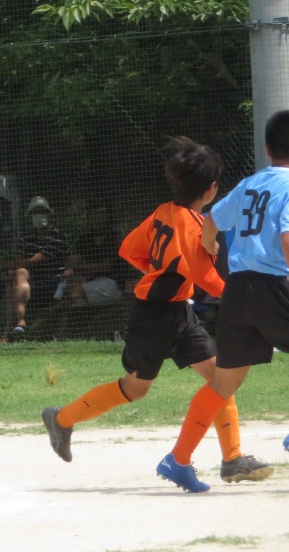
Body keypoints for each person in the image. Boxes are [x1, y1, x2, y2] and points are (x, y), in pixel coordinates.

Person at [41, 138, 271, 485]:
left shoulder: (164, 211)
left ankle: (233, 458)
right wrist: (243, 298)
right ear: (212, 189)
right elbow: (206, 278)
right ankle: (60, 419)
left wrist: (158, 269)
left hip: (178, 311)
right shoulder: (193, 225)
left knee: (219, 379)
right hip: (153, 316)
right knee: (134, 389)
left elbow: (129, 249)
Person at [156, 112, 289, 492]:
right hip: (274, 286)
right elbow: (286, 239)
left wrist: (210, 244)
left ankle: (178, 459)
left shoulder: (250, 183)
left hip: (237, 291)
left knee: (223, 383)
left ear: (267, 149)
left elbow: (212, 219)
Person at [0, 196, 69, 340]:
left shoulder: (59, 237)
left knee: (14, 284)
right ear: (30, 216)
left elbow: (33, 261)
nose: (38, 215)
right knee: (18, 274)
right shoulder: (25, 238)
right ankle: (19, 324)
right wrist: (10, 271)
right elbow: (19, 261)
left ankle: (8, 333)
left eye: (41, 211)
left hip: (53, 282)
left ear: (48, 213)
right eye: (35, 212)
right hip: (28, 281)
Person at [59, 202, 127, 307]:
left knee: (75, 292)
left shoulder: (115, 238)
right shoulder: (85, 239)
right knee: (69, 286)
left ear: (108, 217)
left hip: (112, 282)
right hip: (90, 279)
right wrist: (71, 265)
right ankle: (75, 306)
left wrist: (76, 268)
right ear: (89, 218)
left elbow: (105, 266)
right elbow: (74, 259)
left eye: (102, 213)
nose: (98, 218)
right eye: (94, 214)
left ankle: (71, 307)